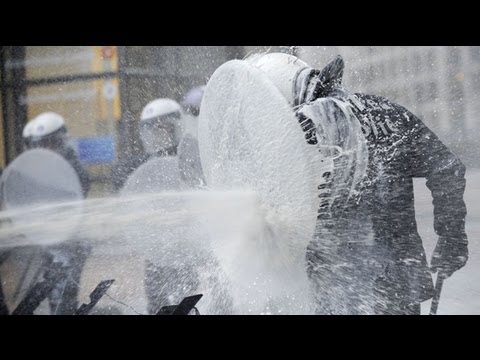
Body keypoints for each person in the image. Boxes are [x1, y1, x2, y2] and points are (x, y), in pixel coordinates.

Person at [247, 52, 468, 315]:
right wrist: (452, 236)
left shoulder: (298, 132)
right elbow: (446, 167)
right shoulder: (387, 112)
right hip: (398, 277)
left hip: (338, 282)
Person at [21, 112, 91, 314]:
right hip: (52, 243)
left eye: (51, 143)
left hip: (71, 243)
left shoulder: (73, 168)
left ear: (61, 142)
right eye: (41, 145)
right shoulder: (43, 168)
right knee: (54, 294)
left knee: (63, 295)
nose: (46, 149)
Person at [178, 86, 206, 188]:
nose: (190, 117)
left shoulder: (225, 144)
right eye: (187, 112)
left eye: (195, 112)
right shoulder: (188, 147)